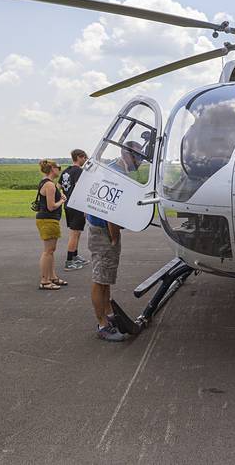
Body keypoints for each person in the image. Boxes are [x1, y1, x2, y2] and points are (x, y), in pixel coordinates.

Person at [88, 144, 145, 342]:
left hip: (100, 228)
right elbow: (110, 211)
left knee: (105, 277)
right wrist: (114, 236)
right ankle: (102, 325)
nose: (140, 162)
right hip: (104, 231)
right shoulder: (117, 175)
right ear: (127, 155)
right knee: (100, 278)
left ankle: (109, 312)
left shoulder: (113, 169)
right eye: (138, 158)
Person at [35, 159, 68, 290]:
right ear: (52, 169)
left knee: (51, 250)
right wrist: (62, 200)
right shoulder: (49, 185)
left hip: (48, 220)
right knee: (48, 251)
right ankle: (44, 280)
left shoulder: (47, 183)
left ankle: (52, 277)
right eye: (58, 167)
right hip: (48, 219)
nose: (59, 170)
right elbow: (51, 206)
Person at [59, 149, 90, 271]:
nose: (85, 160)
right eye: (84, 158)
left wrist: (63, 195)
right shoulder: (79, 171)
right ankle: (69, 261)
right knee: (74, 233)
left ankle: (75, 255)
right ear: (79, 157)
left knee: (75, 232)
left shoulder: (66, 171)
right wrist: (85, 206)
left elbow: (59, 186)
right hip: (77, 205)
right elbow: (80, 188)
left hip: (68, 205)